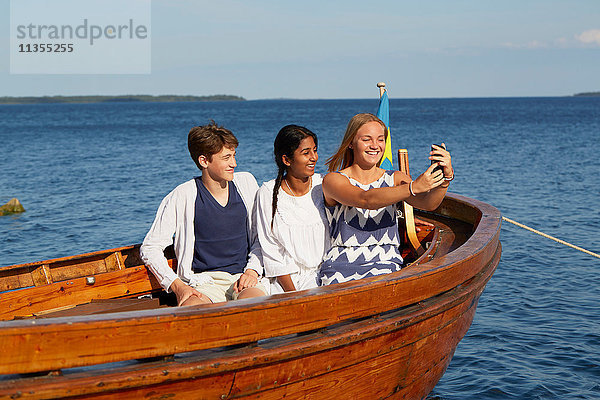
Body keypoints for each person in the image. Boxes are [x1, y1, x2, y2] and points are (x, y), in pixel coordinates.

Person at [140, 121, 268, 306]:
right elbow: (150, 247)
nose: (234, 163)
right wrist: (177, 286)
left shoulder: (246, 183)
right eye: (226, 158)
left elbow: (261, 237)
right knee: (192, 315)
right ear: (204, 161)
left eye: (234, 155)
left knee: (254, 308)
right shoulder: (182, 195)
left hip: (244, 279)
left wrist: (252, 271)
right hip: (203, 283)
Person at [318, 113, 454, 286]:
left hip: (385, 263)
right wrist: (413, 188)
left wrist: (446, 178)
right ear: (351, 143)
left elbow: (428, 204)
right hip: (340, 264)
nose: (375, 146)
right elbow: (365, 199)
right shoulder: (333, 180)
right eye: (367, 139)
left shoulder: (395, 179)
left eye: (380, 140)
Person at [255, 125, 330, 294]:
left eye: (315, 150)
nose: (314, 158)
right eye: (306, 153)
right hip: (286, 283)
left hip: (327, 275)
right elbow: (271, 252)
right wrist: (295, 295)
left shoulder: (324, 185)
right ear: (287, 160)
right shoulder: (267, 194)